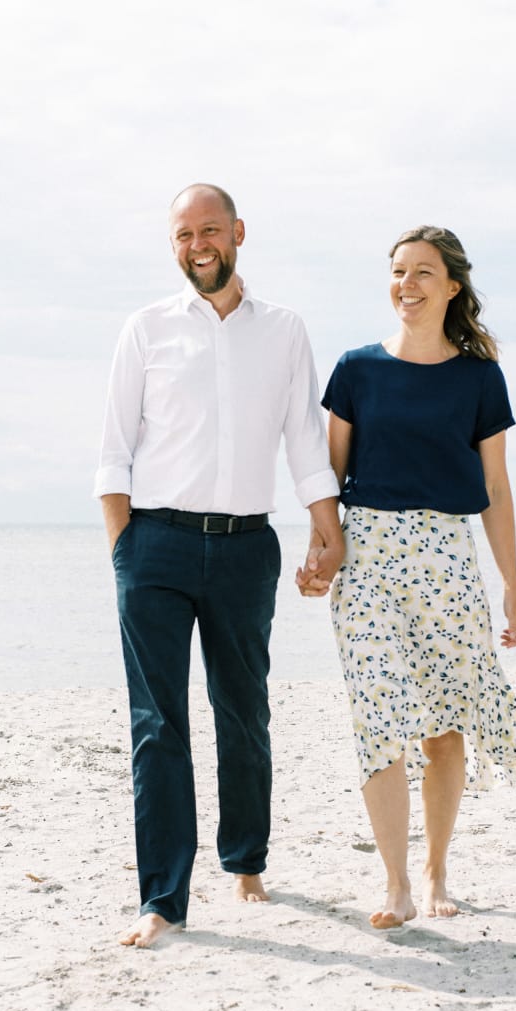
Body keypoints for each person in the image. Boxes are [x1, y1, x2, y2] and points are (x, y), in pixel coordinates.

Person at [96, 183, 344, 949]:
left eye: (209, 230)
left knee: (244, 712)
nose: (197, 245)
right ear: (172, 245)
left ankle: (246, 860)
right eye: (182, 235)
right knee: (156, 725)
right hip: (156, 546)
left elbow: (305, 440)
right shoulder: (146, 330)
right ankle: (163, 900)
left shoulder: (285, 331)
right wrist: (125, 552)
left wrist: (324, 530)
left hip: (245, 546)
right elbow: (113, 453)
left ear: (238, 232)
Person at [302, 224, 516, 930]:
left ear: (451, 286)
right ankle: (395, 884)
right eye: (397, 272)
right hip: (370, 561)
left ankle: (438, 868)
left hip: (448, 559)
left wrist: (511, 582)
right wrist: (322, 549)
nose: (405, 285)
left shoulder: (479, 377)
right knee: (378, 721)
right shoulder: (355, 369)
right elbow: (329, 478)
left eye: (420, 273)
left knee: (445, 730)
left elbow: (496, 489)